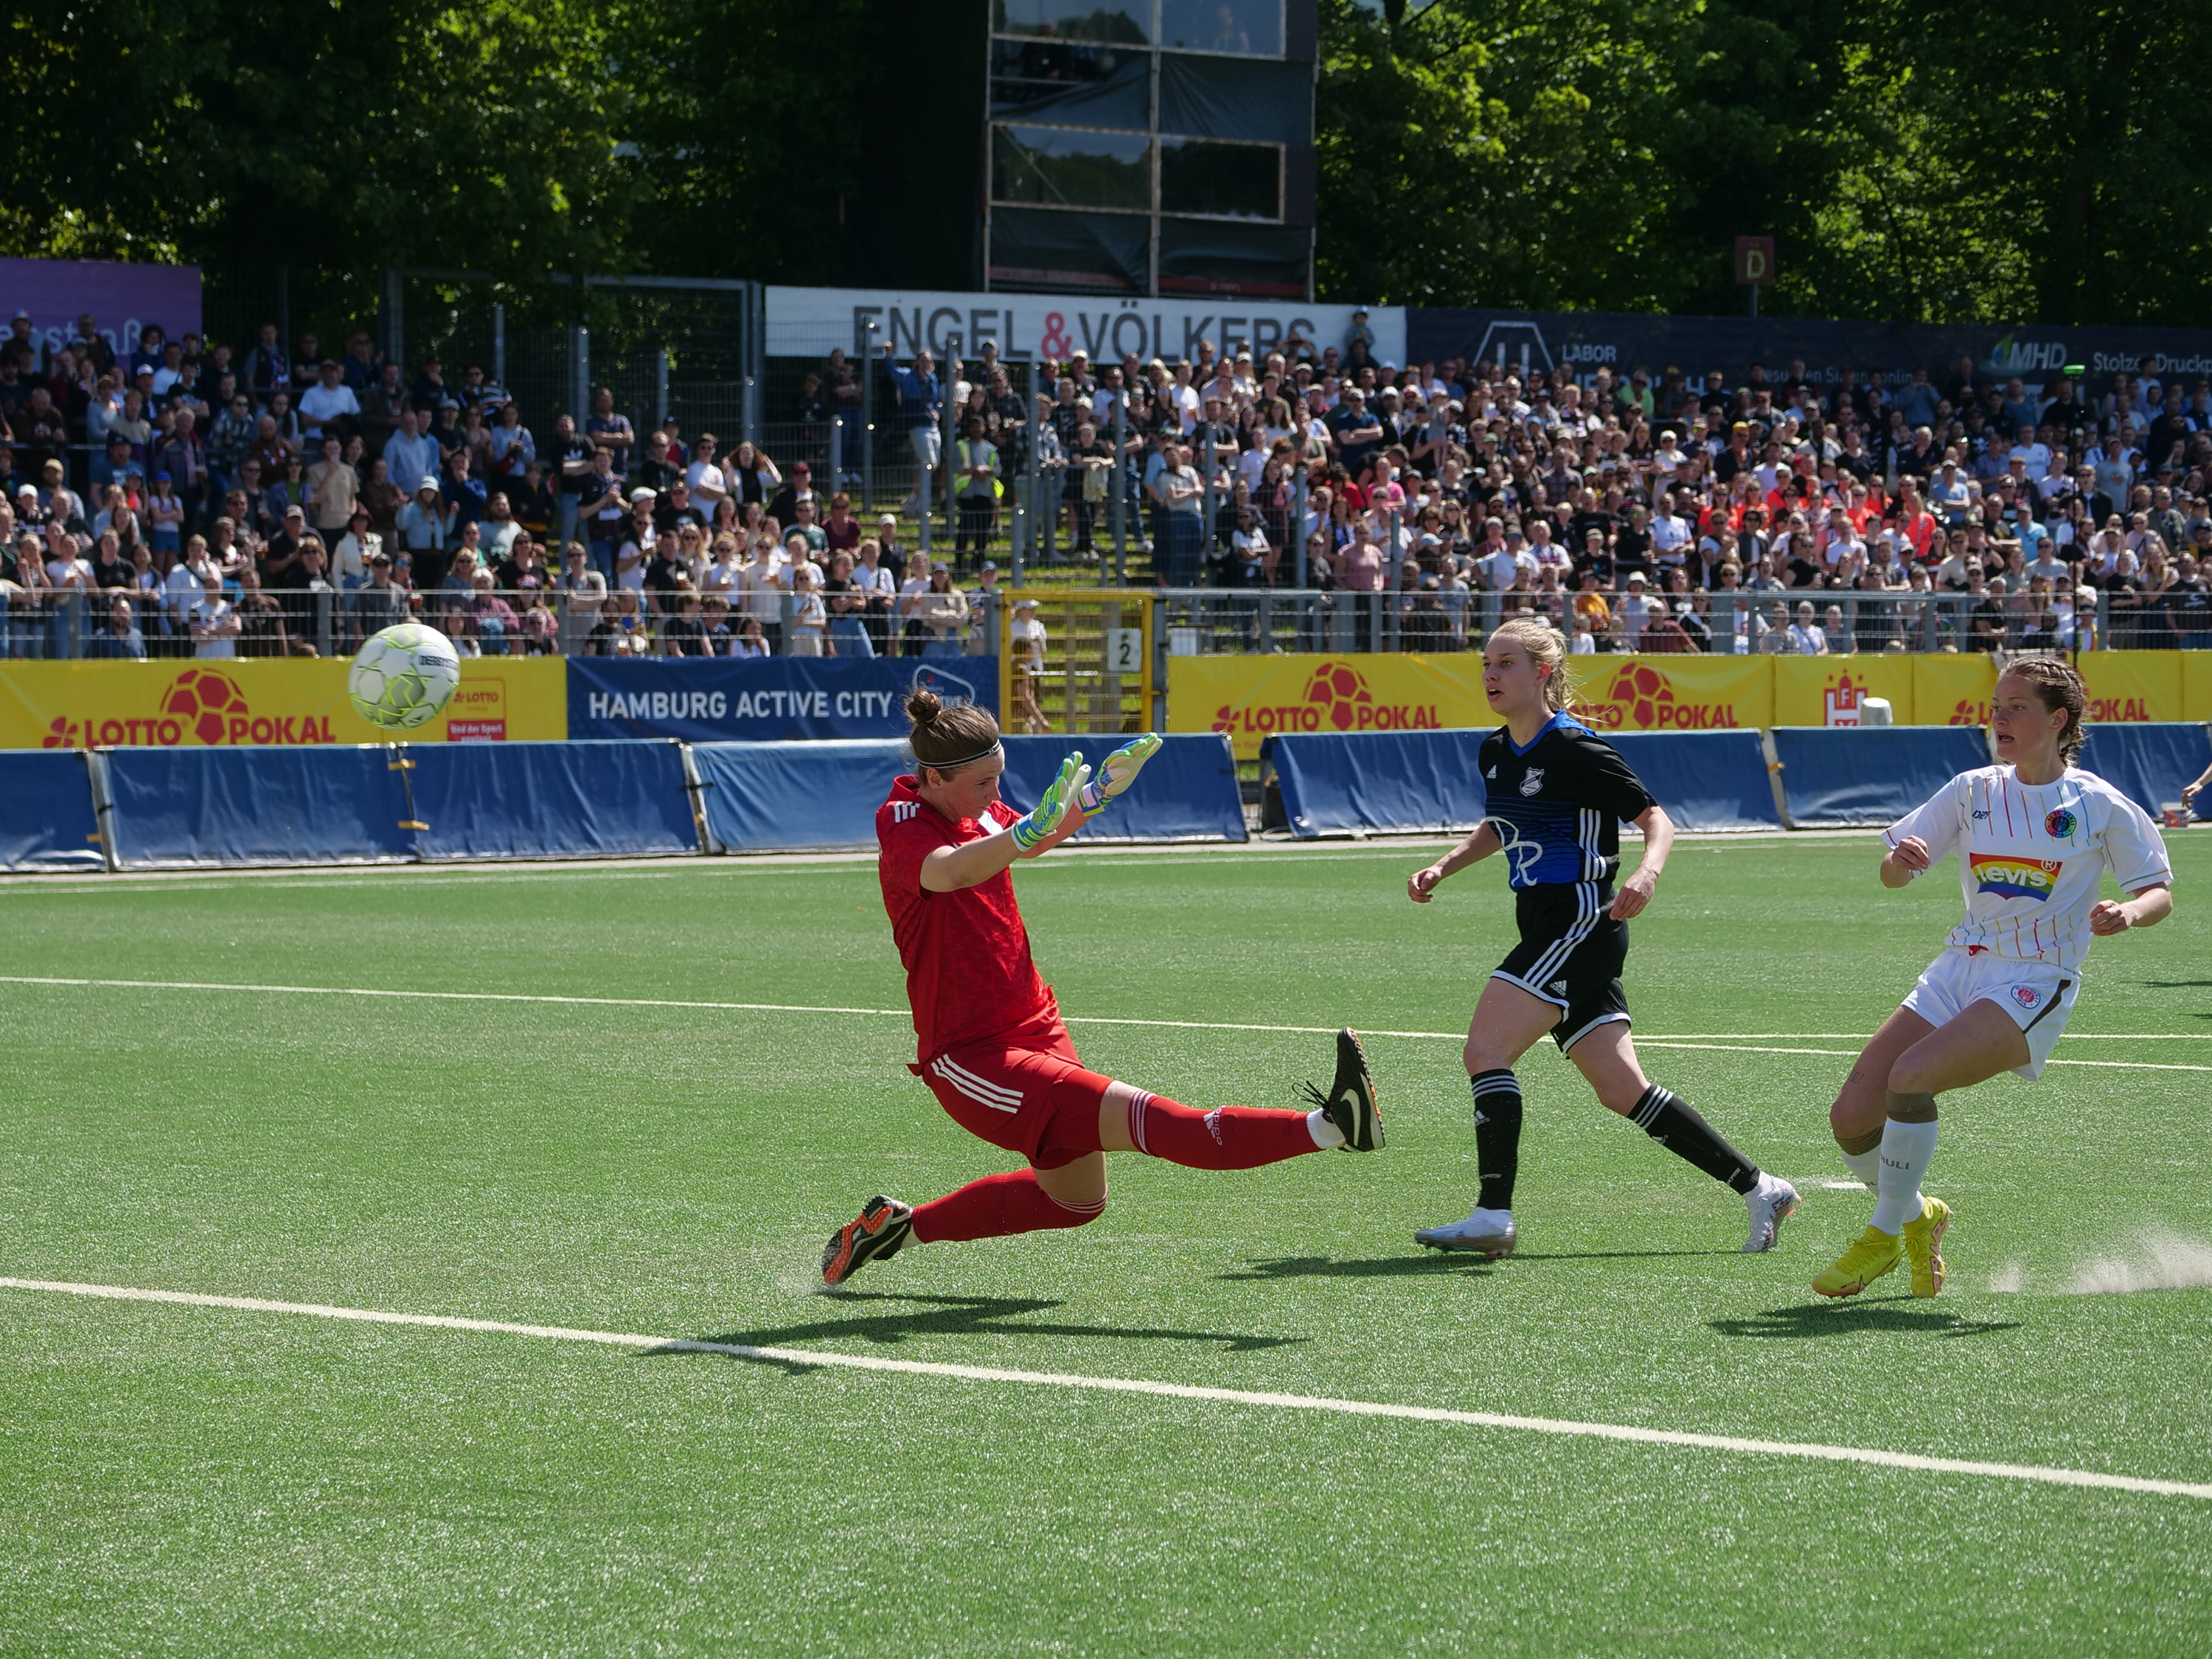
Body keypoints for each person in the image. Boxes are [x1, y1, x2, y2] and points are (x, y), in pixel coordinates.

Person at [821, 696, 1382, 1286]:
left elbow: (1026, 839)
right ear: (934, 778)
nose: (995, 793)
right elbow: (951, 870)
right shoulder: (904, 821)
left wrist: (1094, 799)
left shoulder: (973, 810)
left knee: (1075, 1202)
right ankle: (1333, 1126)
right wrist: (1024, 833)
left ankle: (892, 1229)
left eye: (1000, 778)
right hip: (974, 1056)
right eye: (984, 782)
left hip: (1036, 1023)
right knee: (1159, 1122)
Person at [1404, 617, 1799, 1257]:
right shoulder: (1495, 750)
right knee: (1622, 1091)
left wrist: (1647, 871)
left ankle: (1492, 1214)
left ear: (1543, 673)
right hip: (1547, 924)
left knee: (1485, 1050)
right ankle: (1762, 1189)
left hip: (1582, 922)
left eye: (1506, 663)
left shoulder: (1577, 747)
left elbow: (1656, 817)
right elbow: (1501, 825)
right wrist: (1445, 865)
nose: (1491, 675)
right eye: (1487, 664)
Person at [1812, 660, 2173, 1300]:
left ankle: (1882, 1235)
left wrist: (2129, 912)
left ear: (2058, 721)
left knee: (1911, 1077)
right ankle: (1921, 1215)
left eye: (2016, 707)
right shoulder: (1972, 788)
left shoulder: (2097, 803)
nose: (1998, 719)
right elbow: (1892, 877)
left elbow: (2157, 892)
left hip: (2036, 977)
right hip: (1960, 965)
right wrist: (1899, 862)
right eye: (1996, 706)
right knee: (1850, 1117)